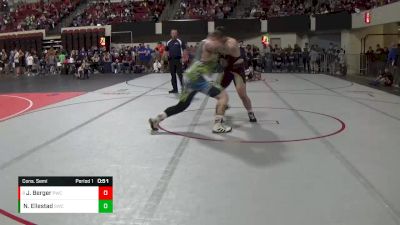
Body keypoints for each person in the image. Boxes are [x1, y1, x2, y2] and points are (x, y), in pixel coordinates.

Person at [149, 30, 232, 133]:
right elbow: (213, 47)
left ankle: (156, 119)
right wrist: (227, 46)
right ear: (216, 39)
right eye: (220, 40)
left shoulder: (204, 43)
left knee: (182, 105)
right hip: (196, 78)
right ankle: (218, 125)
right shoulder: (209, 44)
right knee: (223, 96)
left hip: (190, 77)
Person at [219, 34, 257, 122]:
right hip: (227, 72)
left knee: (242, 95)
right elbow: (221, 63)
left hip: (237, 72)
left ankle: (250, 112)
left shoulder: (233, 45)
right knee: (218, 92)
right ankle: (220, 114)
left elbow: (242, 60)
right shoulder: (218, 47)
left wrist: (247, 70)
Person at [166, 29, 187, 93]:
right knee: (173, 75)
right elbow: (166, 51)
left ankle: (184, 89)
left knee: (180, 75)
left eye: (175, 33)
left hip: (178, 60)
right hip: (171, 61)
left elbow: (184, 50)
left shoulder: (180, 41)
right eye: (172, 33)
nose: (174, 34)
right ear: (171, 34)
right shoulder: (168, 42)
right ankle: (175, 89)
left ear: (177, 34)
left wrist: (183, 58)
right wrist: (167, 59)